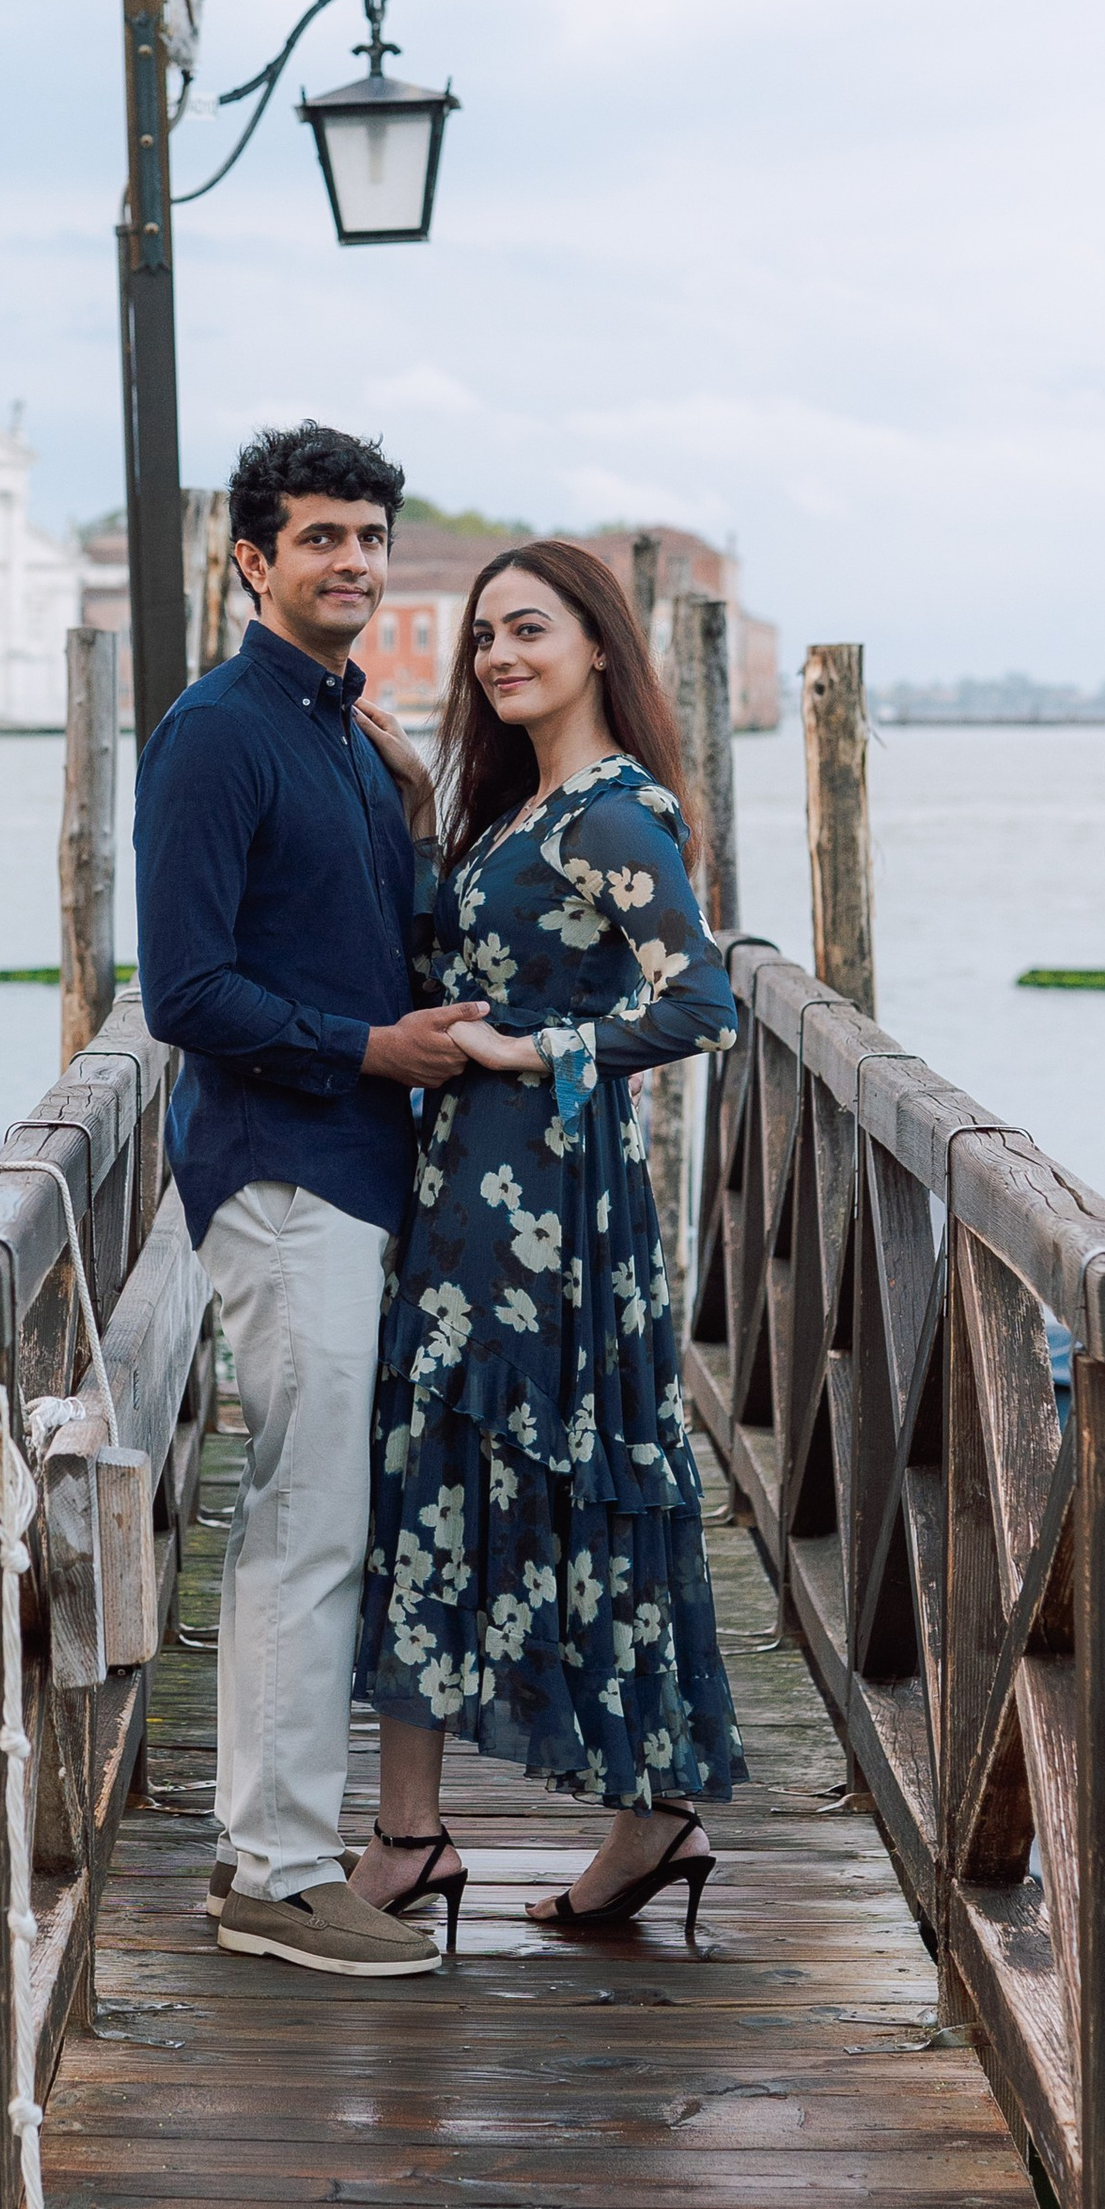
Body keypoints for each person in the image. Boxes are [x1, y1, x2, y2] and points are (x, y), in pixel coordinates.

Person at [348, 537, 743, 1951]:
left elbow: (701, 1006)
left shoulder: (612, 818)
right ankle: (605, 1818)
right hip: (474, 1190)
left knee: (471, 1471)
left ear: (596, 648)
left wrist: (532, 1050)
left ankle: (436, 1835)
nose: (500, 655)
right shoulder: (526, 810)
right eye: (481, 637)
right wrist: (405, 799)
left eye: (529, 630)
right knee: (446, 1473)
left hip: (547, 1215)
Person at [133, 421, 492, 1979]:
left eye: (370, 538)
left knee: (320, 1512)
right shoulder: (216, 734)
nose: (353, 561)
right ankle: (273, 1871)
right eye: (323, 539)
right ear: (251, 561)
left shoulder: (348, 736)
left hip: (353, 1170)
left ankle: (271, 1852)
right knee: (302, 1518)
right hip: (281, 1173)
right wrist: (372, 1049)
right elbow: (186, 990)